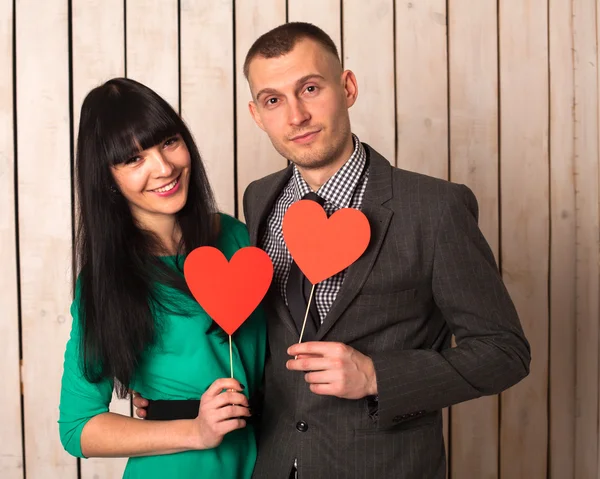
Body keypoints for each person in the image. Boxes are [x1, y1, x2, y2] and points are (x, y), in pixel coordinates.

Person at [135, 22, 531, 478]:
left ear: (347, 87)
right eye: (273, 100)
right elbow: (254, 334)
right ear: (256, 114)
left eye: (309, 88)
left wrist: (377, 376)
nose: (296, 115)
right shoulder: (258, 198)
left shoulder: (436, 209)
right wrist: (172, 399)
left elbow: (504, 352)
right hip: (274, 465)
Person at [58, 78, 266, 479]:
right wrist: (195, 430)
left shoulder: (237, 236)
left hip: (271, 457)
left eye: (168, 142)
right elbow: (78, 427)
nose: (164, 168)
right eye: (133, 160)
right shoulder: (107, 282)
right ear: (108, 178)